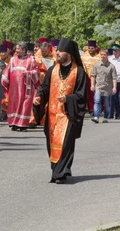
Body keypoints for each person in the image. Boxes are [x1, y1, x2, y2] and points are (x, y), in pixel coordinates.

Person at [33, 38, 87, 184]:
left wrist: (68, 99)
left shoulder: (79, 72)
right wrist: (38, 97)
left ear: (68, 54)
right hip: (52, 115)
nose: (56, 53)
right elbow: (44, 88)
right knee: (52, 143)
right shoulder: (52, 70)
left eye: (60, 51)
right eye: (56, 51)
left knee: (65, 144)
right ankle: (56, 170)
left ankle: (61, 172)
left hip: (68, 115)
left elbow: (82, 95)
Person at [2, 42, 38, 132]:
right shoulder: (12, 60)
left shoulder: (31, 60)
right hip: (14, 88)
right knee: (13, 104)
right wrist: (3, 81)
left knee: (24, 105)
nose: (16, 50)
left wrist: (29, 73)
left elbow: (36, 72)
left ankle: (23, 125)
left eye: (18, 48)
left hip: (26, 88)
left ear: (23, 49)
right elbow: (7, 72)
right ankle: (13, 123)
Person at [90, 49, 117, 124]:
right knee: (97, 101)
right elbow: (93, 76)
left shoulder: (111, 66)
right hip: (98, 86)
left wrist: (114, 87)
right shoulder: (96, 65)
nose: (102, 56)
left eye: (104, 54)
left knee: (107, 104)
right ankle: (96, 117)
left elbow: (114, 78)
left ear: (107, 55)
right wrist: (92, 85)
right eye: (101, 54)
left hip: (108, 88)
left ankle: (105, 117)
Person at [82, 40, 101, 114]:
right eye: (89, 48)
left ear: (95, 48)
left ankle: (97, 107)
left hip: (97, 78)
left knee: (97, 93)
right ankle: (90, 108)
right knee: (89, 93)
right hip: (87, 78)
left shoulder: (99, 56)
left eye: (92, 48)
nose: (90, 50)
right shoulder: (83, 56)